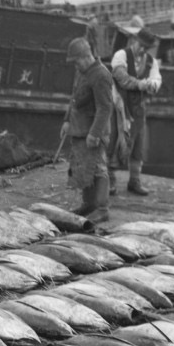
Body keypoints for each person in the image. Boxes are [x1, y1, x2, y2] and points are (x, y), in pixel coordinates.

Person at [59, 37, 113, 223]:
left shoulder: (101, 75)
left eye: (76, 61)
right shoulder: (83, 72)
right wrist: (67, 121)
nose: (75, 65)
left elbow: (105, 108)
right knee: (84, 167)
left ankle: (102, 208)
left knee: (98, 168)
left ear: (85, 57)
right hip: (80, 129)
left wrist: (95, 133)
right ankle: (88, 204)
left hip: (92, 131)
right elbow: (74, 98)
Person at [110, 17, 162, 196]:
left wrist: (152, 85)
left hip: (139, 108)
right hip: (120, 107)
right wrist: (140, 84)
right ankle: (110, 180)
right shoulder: (121, 56)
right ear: (134, 40)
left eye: (146, 48)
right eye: (140, 45)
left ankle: (134, 181)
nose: (142, 50)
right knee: (115, 141)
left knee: (138, 144)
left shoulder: (151, 62)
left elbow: (156, 79)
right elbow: (121, 78)